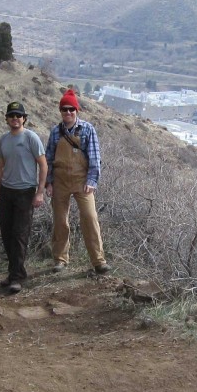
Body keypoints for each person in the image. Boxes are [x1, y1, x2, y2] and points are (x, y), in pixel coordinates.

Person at [45, 87, 110, 274]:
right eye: (64, 109)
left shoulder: (88, 129)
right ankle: (60, 260)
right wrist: (48, 182)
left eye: (71, 109)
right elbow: (49, 158)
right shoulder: (55, 132)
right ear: (60, 111)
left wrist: (92, 180)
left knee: (90, 218)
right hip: (60, 181)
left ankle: (98, 261)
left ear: (76, 111)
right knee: (60, 221)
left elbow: (95, 157)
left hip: (82, 181)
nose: (68, 112)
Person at [0, 101, 47, 294]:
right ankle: (15, 272)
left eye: (18, 115)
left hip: (25, 192)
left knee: (19, 234)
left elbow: (43, 164)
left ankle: (16, 277)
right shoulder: (3, 140)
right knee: (7, 234)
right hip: (7, 191)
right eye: (11, 115)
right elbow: (1, 167)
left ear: (24, 118)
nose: (15, 118)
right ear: (6, 118)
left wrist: (39, 192)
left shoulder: (31, 138)